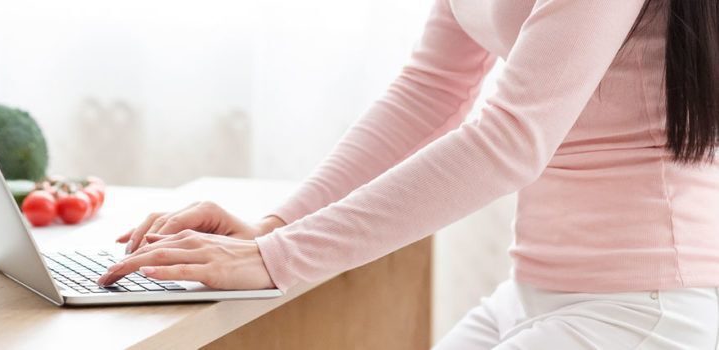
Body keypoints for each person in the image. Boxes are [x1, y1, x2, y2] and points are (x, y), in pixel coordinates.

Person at [96, 0, 719, 347]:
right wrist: (275, 226)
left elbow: (510, 140)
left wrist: (279, 257)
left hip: (644, 309)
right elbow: (430, 91)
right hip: (528, 296)